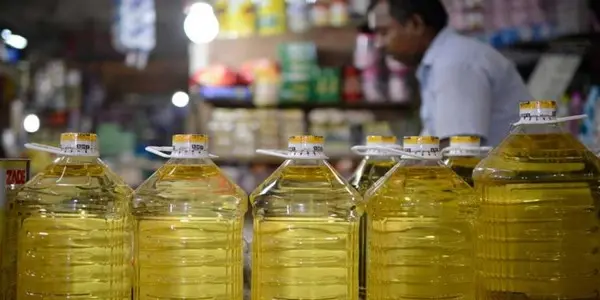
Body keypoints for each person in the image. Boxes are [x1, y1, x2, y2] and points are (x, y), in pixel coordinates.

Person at [368, 0, 532, 147]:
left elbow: (458, 153)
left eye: (384, 32)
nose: (378, 44)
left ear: (416, 24)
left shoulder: (456, 63)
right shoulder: (441, 61)